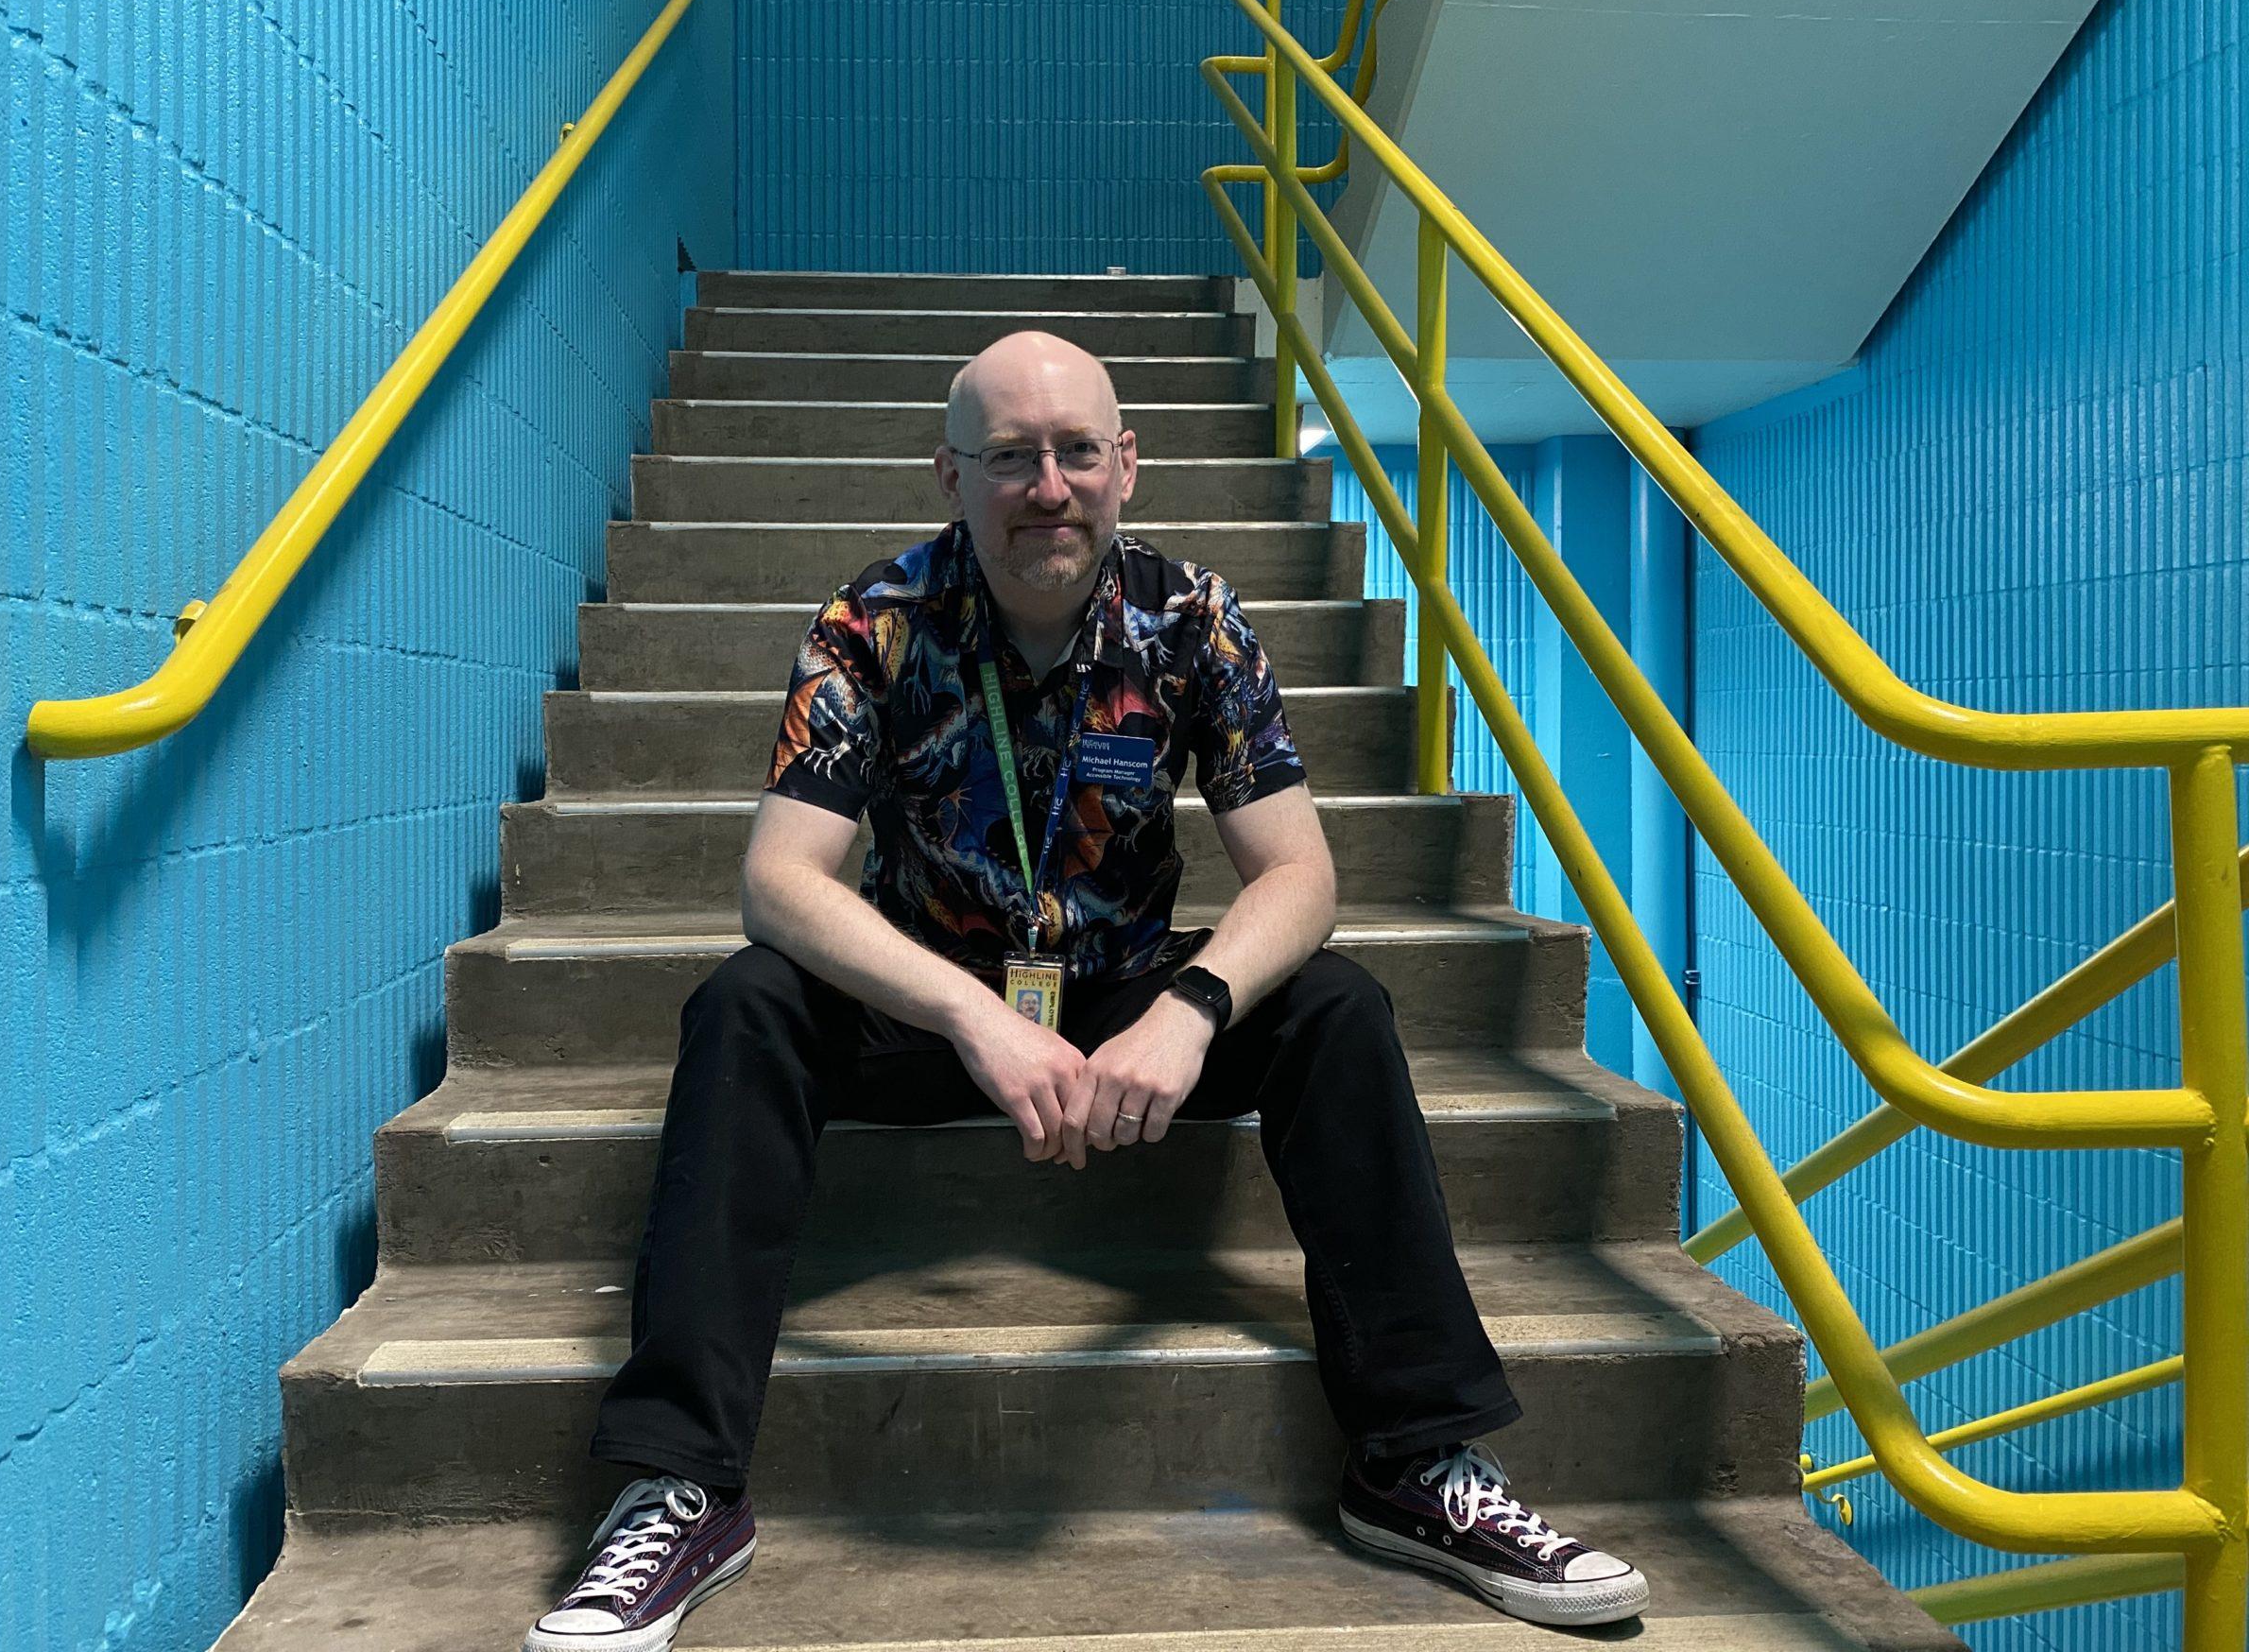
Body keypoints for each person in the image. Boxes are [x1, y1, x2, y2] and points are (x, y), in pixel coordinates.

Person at [523, 333, 1650, 1651]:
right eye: (1008, 457)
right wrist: (969, 1014)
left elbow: (1301, 876)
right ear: (952, 477)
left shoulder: (1194, 621)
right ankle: (684, 1486)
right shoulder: (869, 624)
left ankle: (1414, 1465)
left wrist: (1193, 1011)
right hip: (931, 1005)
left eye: (1072, 452)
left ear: (1126, 465)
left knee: (1337, 1008)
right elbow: (782, 880)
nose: (1044, 485)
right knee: (746, 1004)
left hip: (1121, 1007)